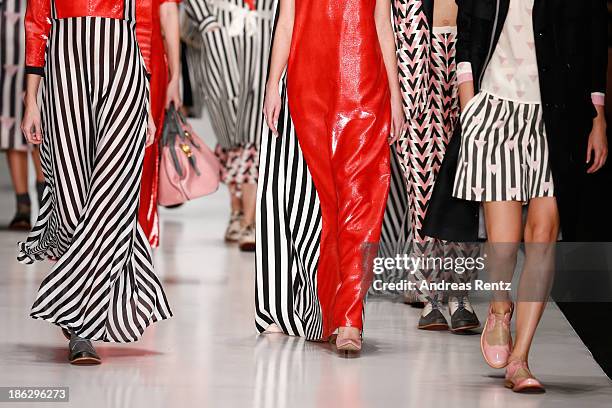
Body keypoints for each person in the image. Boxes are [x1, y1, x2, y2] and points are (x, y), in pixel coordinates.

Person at [449, 0, 608, 392]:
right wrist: (468, 103)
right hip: (496, 110)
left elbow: (593, 39)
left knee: (542, 237)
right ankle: (501, 307)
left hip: (558, 117)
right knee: (503, 246)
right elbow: (467, 27)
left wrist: (598, 117)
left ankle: (520, 359)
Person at [19, 0, 172, 365]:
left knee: (113, 196)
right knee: (71, 202)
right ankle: (80, 306)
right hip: (64, 73)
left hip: (123, 73)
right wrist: (31, 100)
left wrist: (148, 107)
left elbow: (146, 29)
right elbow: (36, 25)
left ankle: (81, 325)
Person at [260, 0, 405, 354]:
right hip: (310, 85)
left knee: (360, 201)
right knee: (331, 205)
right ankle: (331, 311)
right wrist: (272, 83)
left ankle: (350, 320)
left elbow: (383, 26)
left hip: (365, 86)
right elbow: (287, 20)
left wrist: (396, 97)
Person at [391, 0, 480, 332]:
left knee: (466, 186)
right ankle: (432, 297)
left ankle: (461, 294)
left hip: (468, 84)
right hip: (413, 91)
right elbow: (385, 32)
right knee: (423, 189)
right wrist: (392, 98)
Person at [184, 0, 276, 251]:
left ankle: (249, 219)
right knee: (230, 126)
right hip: (222, 32)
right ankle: (239, 213)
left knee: (255, 127)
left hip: (265, 33)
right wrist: (206, 21)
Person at [138, 0, 182, 248]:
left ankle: (138, 234)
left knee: (144, 146)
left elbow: (167, 9)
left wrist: (175, 77)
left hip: (150, 57)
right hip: (96, 51)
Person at [0, 0, 45, 231]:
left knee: (43, 124)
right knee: (9, 122)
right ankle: (23, 206)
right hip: (6, 41)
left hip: (44, 33)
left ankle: (45, 198)